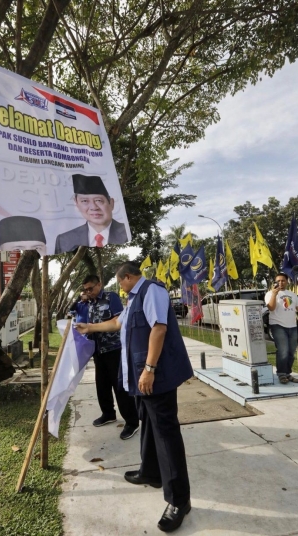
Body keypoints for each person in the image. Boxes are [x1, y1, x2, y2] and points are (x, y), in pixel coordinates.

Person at [76, 261, 193, 533]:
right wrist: (89, 328)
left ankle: (180, 500)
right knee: (148, 424)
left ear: (127, 277)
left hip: (155, 376)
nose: (119, 287)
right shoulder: (133, 298)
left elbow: (159, 329)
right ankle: (150, 472)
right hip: (140, 378)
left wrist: (150, 369)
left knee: (166, 433)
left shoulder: (152, 291)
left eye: (120, 282)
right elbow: (119, 323)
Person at [80, 274, 139, 440]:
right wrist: (82, 300)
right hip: (98, 350)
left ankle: (132, 422)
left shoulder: (110, 297)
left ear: (99, 284)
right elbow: (74, 311)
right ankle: (108, 413)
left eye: (91, 288)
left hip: (114, 349)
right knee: (102, 385)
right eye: (85, 289)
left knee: (120, 387)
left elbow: (118, 320)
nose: (88, 292)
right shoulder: (88, 302)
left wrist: (93, 327)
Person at [54, 174, 128, 254]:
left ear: (111, 203)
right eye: (85, 201)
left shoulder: (126, 232)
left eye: (99, 200)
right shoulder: (64, 240)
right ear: (77, 204)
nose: (94, 207)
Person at [265, 272, 298, 384]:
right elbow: (271, 308)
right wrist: (274, 294)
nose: (280, 283)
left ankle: (287, 373)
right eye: (278, 281)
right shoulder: (270, 293)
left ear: (287, 281)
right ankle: (281, 374)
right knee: (283, 351)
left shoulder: (293, 295)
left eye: (282, 280)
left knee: (291, 352)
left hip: (292, 326)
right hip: (278, 325)